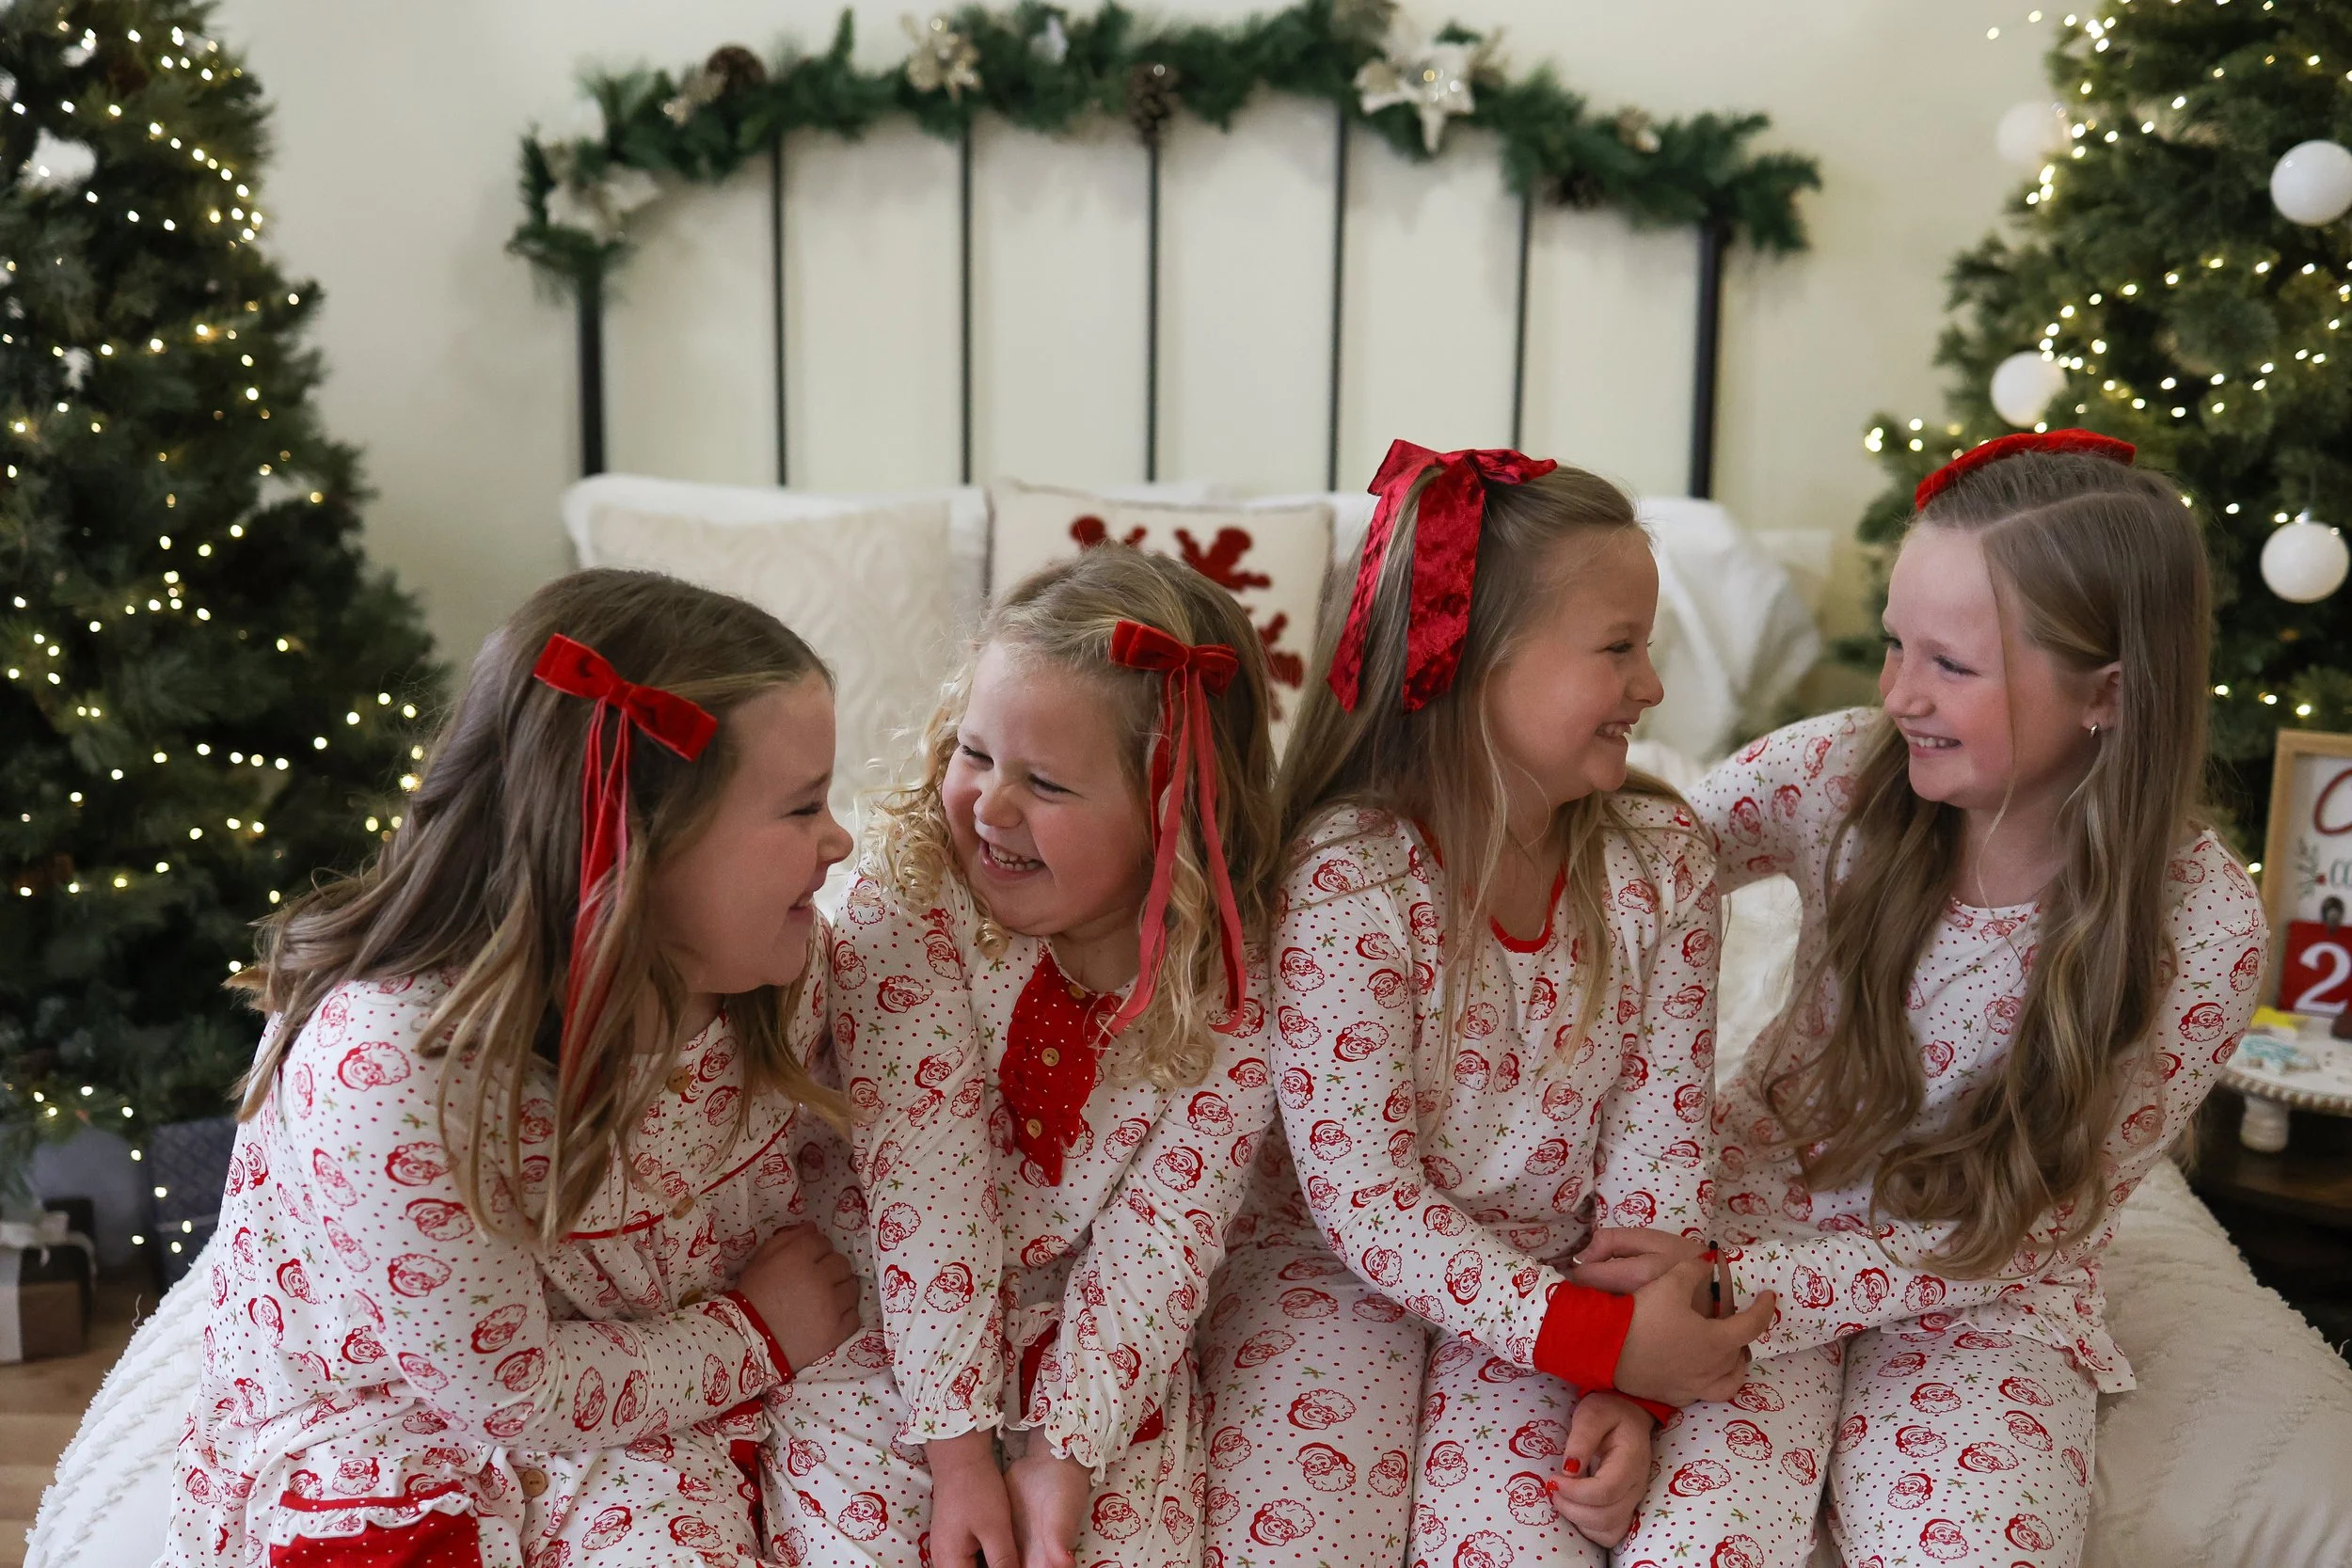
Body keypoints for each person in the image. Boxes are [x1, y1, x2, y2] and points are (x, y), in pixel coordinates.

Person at [1611, 432, 2269, 1568]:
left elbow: (2036, 1224)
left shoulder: (2201, 927)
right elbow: (1625, 883)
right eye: (1892, 645)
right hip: (1759, 1218)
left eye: (1951, 665)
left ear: (2107, 692)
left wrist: (1740, 1282)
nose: (1898, 693)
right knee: (1697, 1541)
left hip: (1984, 1287)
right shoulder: (1832, 775)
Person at [164, 570, 865, 1568]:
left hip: (634, 1391)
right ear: (635, 846)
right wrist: (752, 1335)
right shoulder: (391, 1069)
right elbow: (507, 1390)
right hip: (410, 1421)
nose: (839, 840)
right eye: (803, 808)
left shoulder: (778, 970)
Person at [1199, 443, 1770, 1568]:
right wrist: (1603, 1343)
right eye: (1618, 648)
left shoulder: (1661, 865)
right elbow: (1364, 1201)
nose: (1650, 687)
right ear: (1470, 661)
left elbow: (1657, 1153)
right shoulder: (1351, 880)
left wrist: (1632, 1377)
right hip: (1328, 1271)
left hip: (1556, 1280)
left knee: (1527, 1539)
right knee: (1291, 1538)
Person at [766, 544, 1283, 1568]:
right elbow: (928, 1192)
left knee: (1115, 1539)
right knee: (877, 1534)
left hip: (1085, 1318)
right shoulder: (911, 897)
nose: (990, 807)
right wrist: (962, 1456)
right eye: (972, 752)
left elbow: (1165, 1231)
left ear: (1173, 815)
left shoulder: (1228, 967)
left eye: (1043, 781)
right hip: (874, 1291)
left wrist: (1068, 1448)